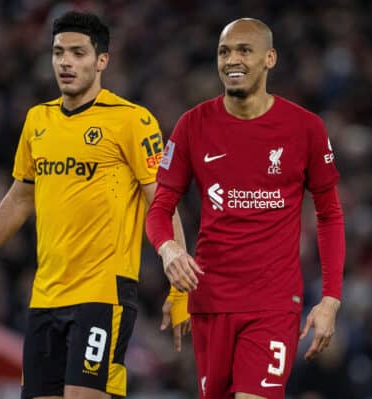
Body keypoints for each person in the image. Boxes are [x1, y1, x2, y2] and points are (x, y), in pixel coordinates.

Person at [0, 11, 188, 399]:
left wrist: (180, 288)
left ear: (101, 61)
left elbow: (162, 200)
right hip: (46, 295)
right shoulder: (37, 120)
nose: (65, 62)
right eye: (59, 53)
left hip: (102, 293)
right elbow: (20, 196)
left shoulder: (131, 121)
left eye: (78, 53)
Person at [146, 18, 346, 399]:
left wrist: (331, 299)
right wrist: (168, 248)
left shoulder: (305, 128)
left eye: (243, 50)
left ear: (270, 58)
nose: (231, 59)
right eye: (224, 51)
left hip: (273, 304)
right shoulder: (192, 125)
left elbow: (329, 214)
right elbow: (160, 208)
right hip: (211, 300)